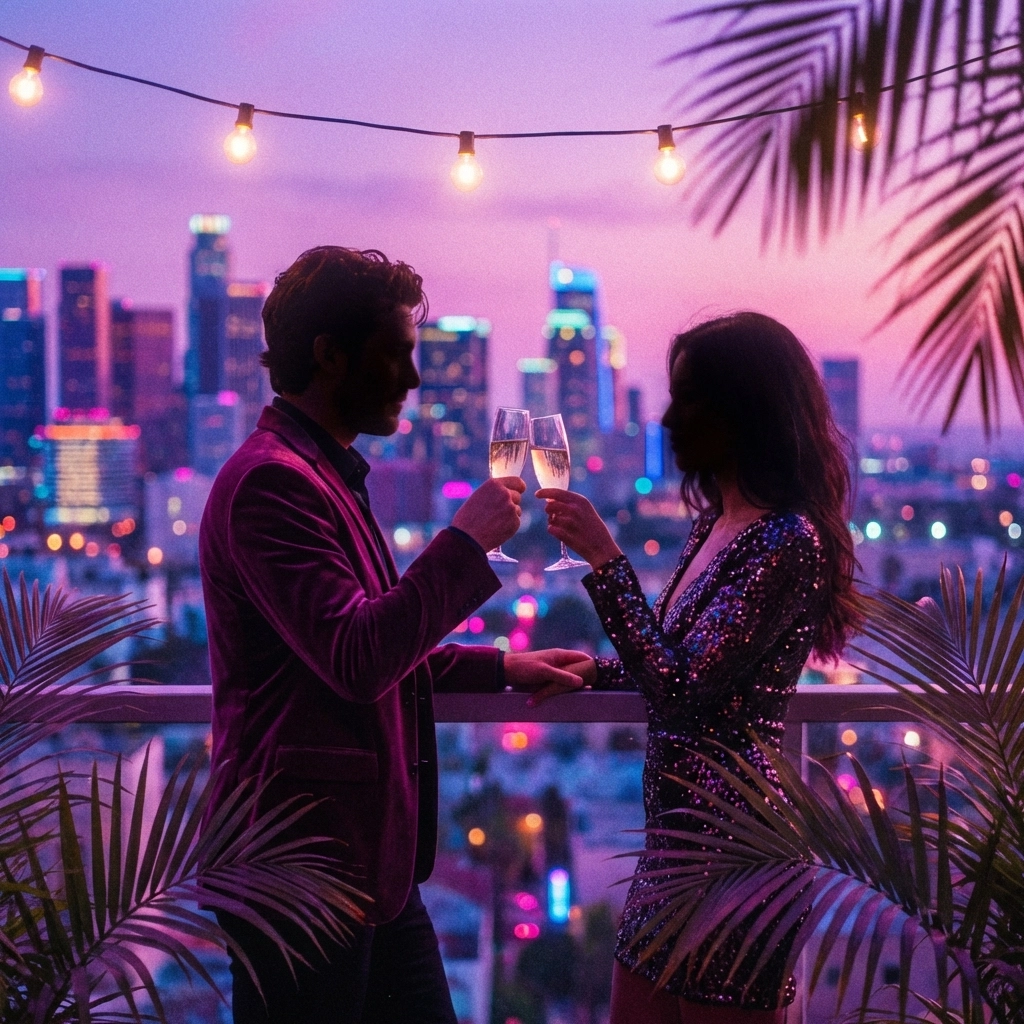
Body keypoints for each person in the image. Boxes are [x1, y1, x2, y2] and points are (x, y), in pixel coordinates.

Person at [199, 246, 584, 1024]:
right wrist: (464, 543)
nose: (413, 380)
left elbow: (366, 641)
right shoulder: (273, 484)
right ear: (329, 357)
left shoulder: (322, 472)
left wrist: (502, 667)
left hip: (368, 870)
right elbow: (357, 656)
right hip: (301, 871)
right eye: (397, 356)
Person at [534, 313, 858, 1023]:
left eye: (691, 400)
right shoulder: (714, 525)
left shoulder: (787, 541)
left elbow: (682, 692)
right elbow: (675, 663)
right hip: (670, 853)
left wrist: (607, 560)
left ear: (744, 412)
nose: (670, 417)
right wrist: (590, 672)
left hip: (739, 856)